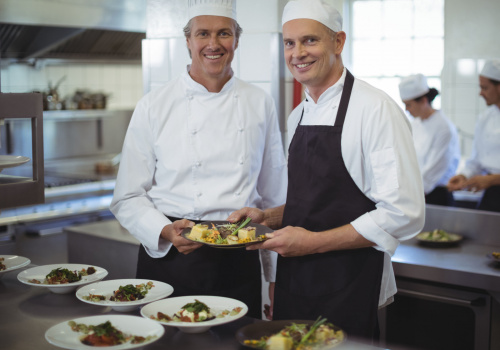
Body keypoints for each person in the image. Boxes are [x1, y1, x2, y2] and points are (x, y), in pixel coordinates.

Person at [228, 0, 425, 341]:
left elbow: (404, 213)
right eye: (290, 43)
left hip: (348, 284)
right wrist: (268, 217)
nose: (297, 53)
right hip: (295, 279)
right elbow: (319, 202)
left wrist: (313, 243)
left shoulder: (375, 110)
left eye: (310, 40)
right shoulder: (298, 114)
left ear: (338, 42)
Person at [110, 0, 287, 319]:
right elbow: (127, 197)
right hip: (173, 256)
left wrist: (275, 278)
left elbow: (275, 197)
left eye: (224, 33)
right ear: (188, 40)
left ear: (237, 40)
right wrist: (165, 232)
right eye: (203, 33)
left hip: (239, 254)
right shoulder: (154, 105)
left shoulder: (260, 102)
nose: (214, 44)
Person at [398, 74, 460, 206]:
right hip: (415, 191)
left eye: (409, 105)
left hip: (436, 196)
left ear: (424, 101)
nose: (406, 110)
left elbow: (432, 171)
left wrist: (406, 195)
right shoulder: (415, 123)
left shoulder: (444, 128)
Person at [447, 59, 500, 212]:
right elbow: (477, 159)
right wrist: (464, 176)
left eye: (485, 88)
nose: (480, 93)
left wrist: (491, 179)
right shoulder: (485, 118)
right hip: (491, 194)